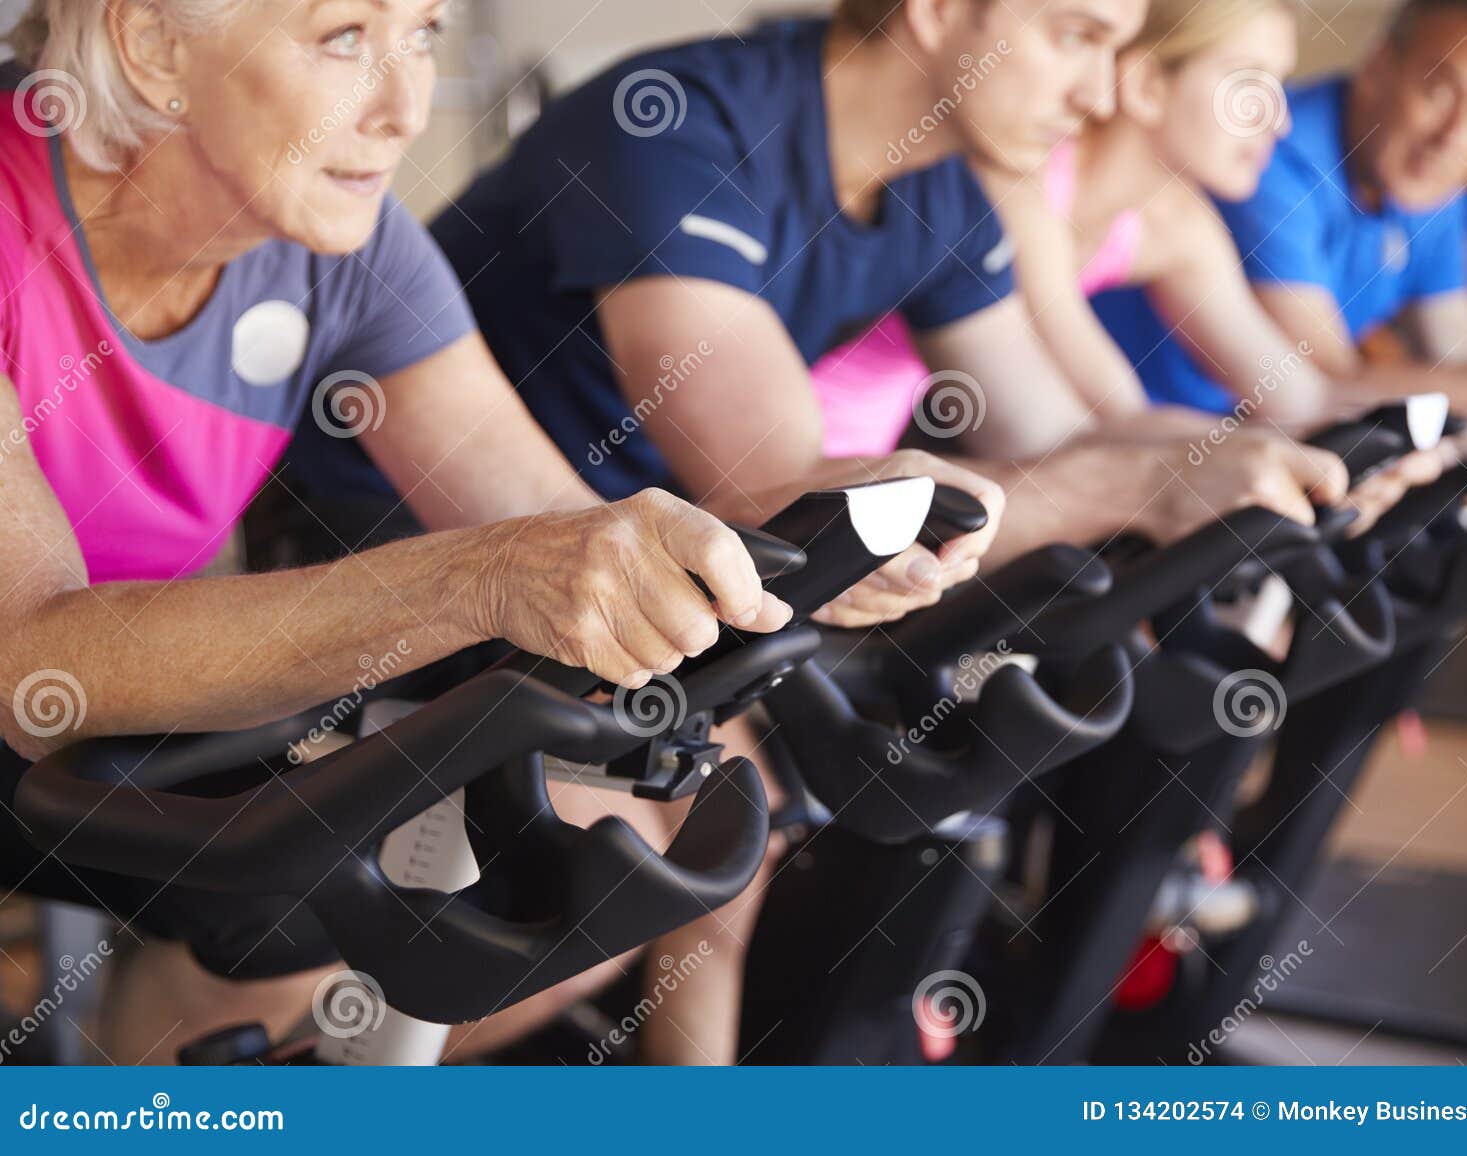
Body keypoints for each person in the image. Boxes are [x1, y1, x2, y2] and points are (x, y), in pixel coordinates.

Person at [0, 0, 995, 1065]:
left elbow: (550, 519)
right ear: (153, 43)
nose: (405, 104)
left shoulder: (348, 247)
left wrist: (803, 548)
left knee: (553, 879)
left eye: (423, 33)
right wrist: (476, 578)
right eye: (345, 38)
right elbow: (32, 664)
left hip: (133, 717)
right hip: (46, 697)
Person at [290, 0, 1371, 577]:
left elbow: (1049, 427)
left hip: (628, 540)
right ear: (940, 9)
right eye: (1072, 35)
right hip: (397, 531)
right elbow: (775, 488)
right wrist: (1138, 491)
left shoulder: (940, 189)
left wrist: (1261, 464)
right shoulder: (682, 125)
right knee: (690, 855)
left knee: (740, 862)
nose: (1096, 92)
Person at [810, 0, 1456, 525]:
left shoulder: (1179, 223)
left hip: (876, 459)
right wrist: (1267, 456)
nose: (1278, 121)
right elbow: (1102, 417)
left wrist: (1426, 441)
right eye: (1249, 83)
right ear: (1146, 84)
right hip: (816, 461)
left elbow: (1297, 394)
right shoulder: (1021, 184)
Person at [1094, 0, 1467, 478]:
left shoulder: (1435, 190)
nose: (1453, 137)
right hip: (1178, 452)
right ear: (1378, 68)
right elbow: (1333, 380)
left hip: (1207, 448)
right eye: (1438, 91)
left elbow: (1458, 368)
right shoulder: (1266, 163)